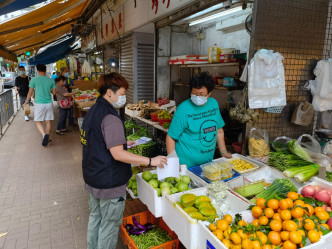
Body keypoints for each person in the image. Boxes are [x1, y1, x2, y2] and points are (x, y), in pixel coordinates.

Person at [81, 72, 167, 249]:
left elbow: (95, 139)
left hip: (93, 177)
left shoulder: (94, 110)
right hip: (109, 182)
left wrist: (121, 141)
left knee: (96, 218)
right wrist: (151, 161)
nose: (124, 97)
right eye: (122, 93)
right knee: (109, 226)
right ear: (110, 93)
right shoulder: (110, 117)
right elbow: (118, 155)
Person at [166, 72, 232, 168]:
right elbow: (171, 137)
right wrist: (173, 162)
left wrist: (223, 152)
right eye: (194, 93)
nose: (197, 97)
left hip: (207, 163)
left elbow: (219, 130)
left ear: (209, 93)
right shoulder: (183, 109)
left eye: (201, 94)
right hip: (185, 164)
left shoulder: (213, 104)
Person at [25, 64, 56, 146]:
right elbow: (54, 92)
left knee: (38, 122)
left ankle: (44, 135)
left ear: (37, 70)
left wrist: (27, 101)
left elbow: (30, 92)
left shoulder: (34, 80)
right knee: (48, 121)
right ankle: (47, 137)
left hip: (39, 104)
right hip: (48, 103)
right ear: (45, 70)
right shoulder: (51, 80)